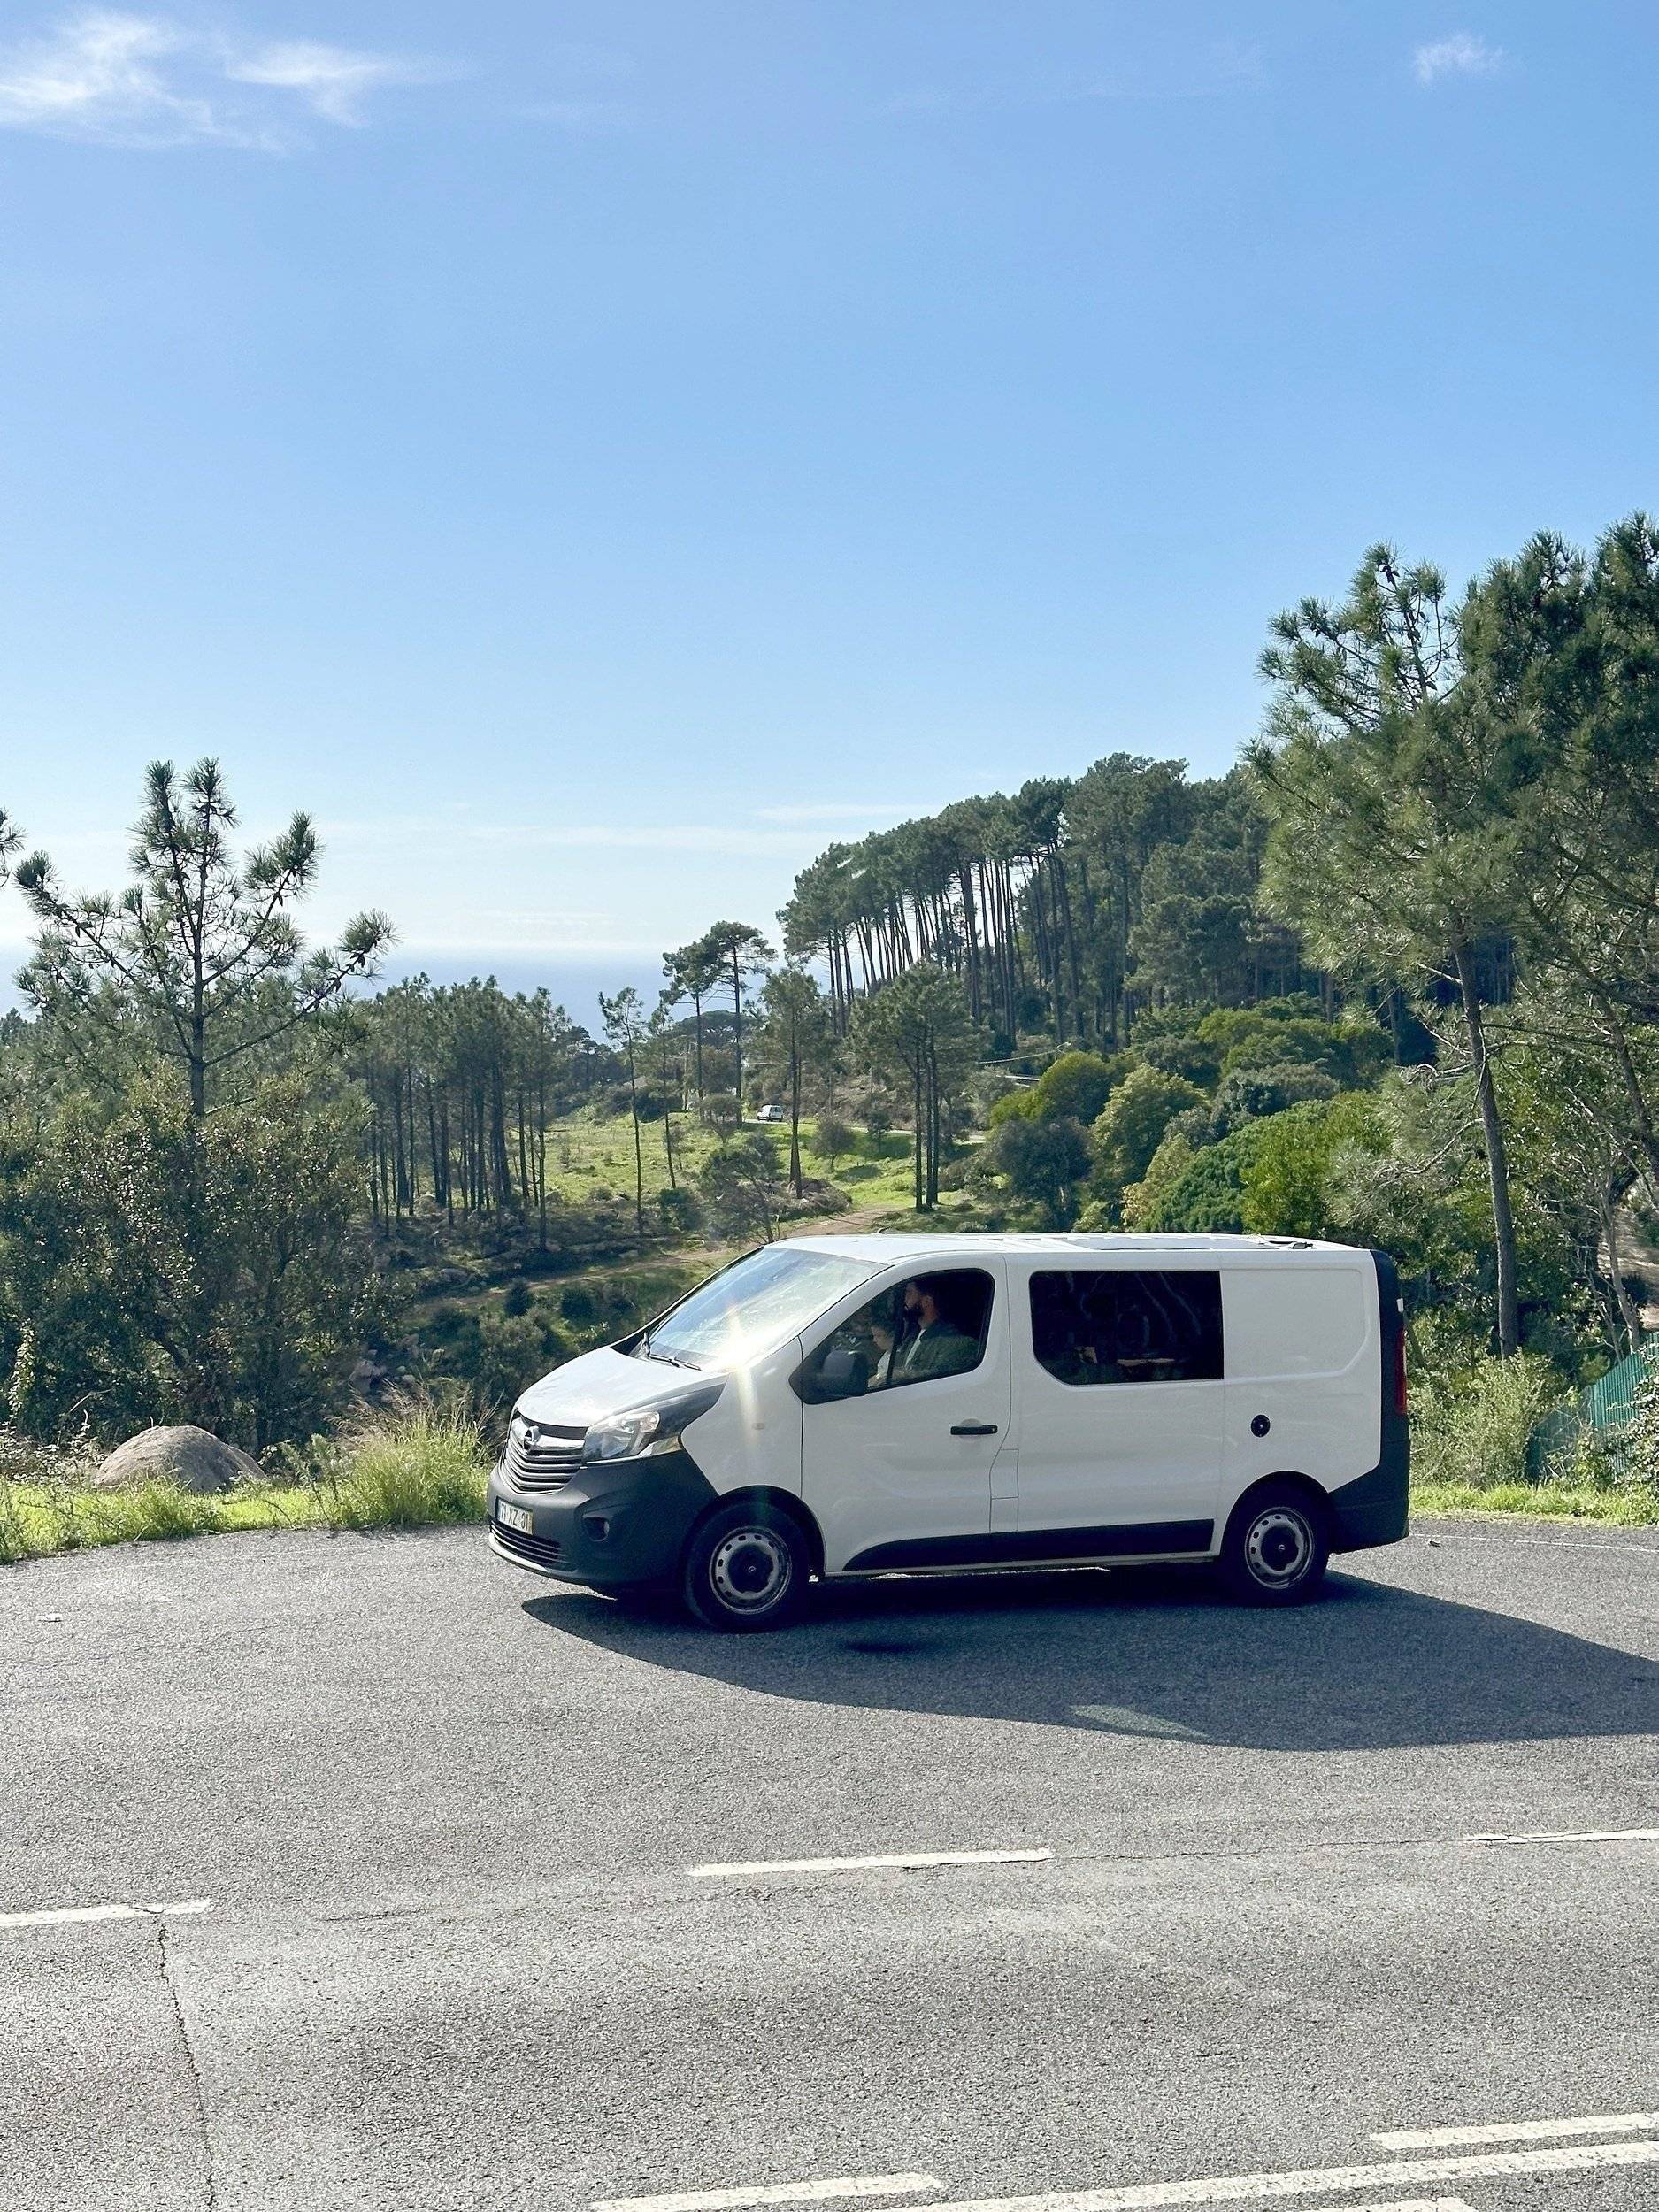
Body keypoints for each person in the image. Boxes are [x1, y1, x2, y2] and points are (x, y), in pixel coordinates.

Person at [894, 1275, 979, 1381]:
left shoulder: (954, 1341)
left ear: (927, 1302)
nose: (904, 1299)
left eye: (908, 1293)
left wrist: (901, 1376)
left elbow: (938, 1376)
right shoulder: (912, 1335)